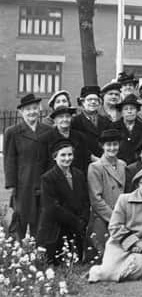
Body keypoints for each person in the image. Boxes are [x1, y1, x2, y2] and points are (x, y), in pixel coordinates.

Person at [88, 167, 142, 282]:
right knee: (108, 272)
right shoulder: (124, 199)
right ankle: (100, 271)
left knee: (134, 272)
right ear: (137, 185)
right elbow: (114, 226)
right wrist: (134, 243)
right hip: (120, 243)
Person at [3, 93, 52, 240]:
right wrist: (12, 184)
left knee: (40, 217)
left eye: (35, 108)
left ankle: (39, 253)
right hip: (23, 182)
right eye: (28, 109)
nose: (32, 112)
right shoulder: (12, 132)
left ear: (39, 110)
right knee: (20, 217)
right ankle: (16, 254)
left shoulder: (47, 131)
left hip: (43, 181)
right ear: (21, 112)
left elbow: (50, 159)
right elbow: (9, 159)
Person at [38, 139, 90, 265]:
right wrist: (76, 221)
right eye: (63, 155)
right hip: (57, 228)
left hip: (77, 227)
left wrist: (83, 219)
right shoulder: (48, 178)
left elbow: (85, 200)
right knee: (56, 263)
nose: (67, 158)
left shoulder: (79, 174)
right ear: (55, 157)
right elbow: (52, 207)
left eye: (70, 154)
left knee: (75, 262)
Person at [87, 129, 128, 256]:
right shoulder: (96, 167)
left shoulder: (122, 164)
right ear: (102, 146)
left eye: (115, 144)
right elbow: (96, 200)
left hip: (122, 214)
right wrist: (115, 218)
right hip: (105, 218)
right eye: (108, 145)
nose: (112, 148)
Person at [41, 106, 90, 173]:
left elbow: (85, 161)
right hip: (53, 179)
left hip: (77, 178)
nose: (65, 119)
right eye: (61, 117)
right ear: (55, 120)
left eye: (67, 116)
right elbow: (42, 164)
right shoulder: (45, 139)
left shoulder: (80, 137)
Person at [72, 85, 112, 160]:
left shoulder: (106, 121)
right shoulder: (75, 121)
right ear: (83, 102)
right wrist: (91, 157)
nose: (93, 102)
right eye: (89, 99)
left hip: (104, 159)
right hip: (83, 160)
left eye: (96, 100)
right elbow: (76, 144)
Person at [110, 94, 142, 163]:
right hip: (118, 163)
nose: (129, 111)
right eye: (126, 109)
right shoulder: (113, 127)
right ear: (122, 112)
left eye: (132, 108)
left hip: (139, 164)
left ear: (137, 111)